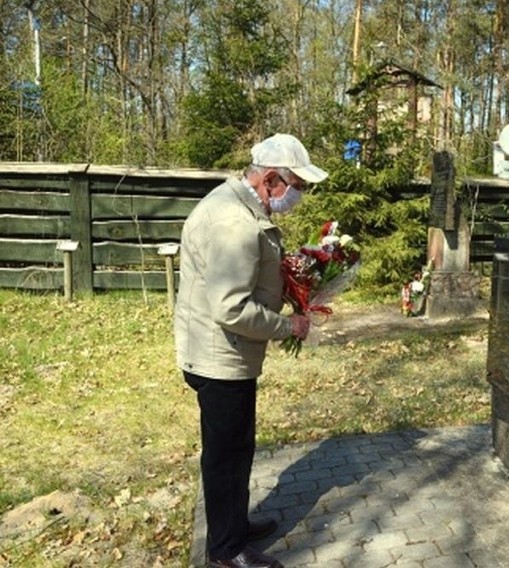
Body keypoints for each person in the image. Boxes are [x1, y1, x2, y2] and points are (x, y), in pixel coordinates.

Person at [174, 133, 327, 568]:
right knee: (226, 456)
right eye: (298, 185)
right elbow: (231, 308)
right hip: (219, 356)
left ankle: (234, 526)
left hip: (230, 353)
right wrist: (288, 326)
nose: (299, 195)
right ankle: (225, 551)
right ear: (273, 180)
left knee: (238, 448)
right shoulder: (233, 223)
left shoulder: (239, 207)